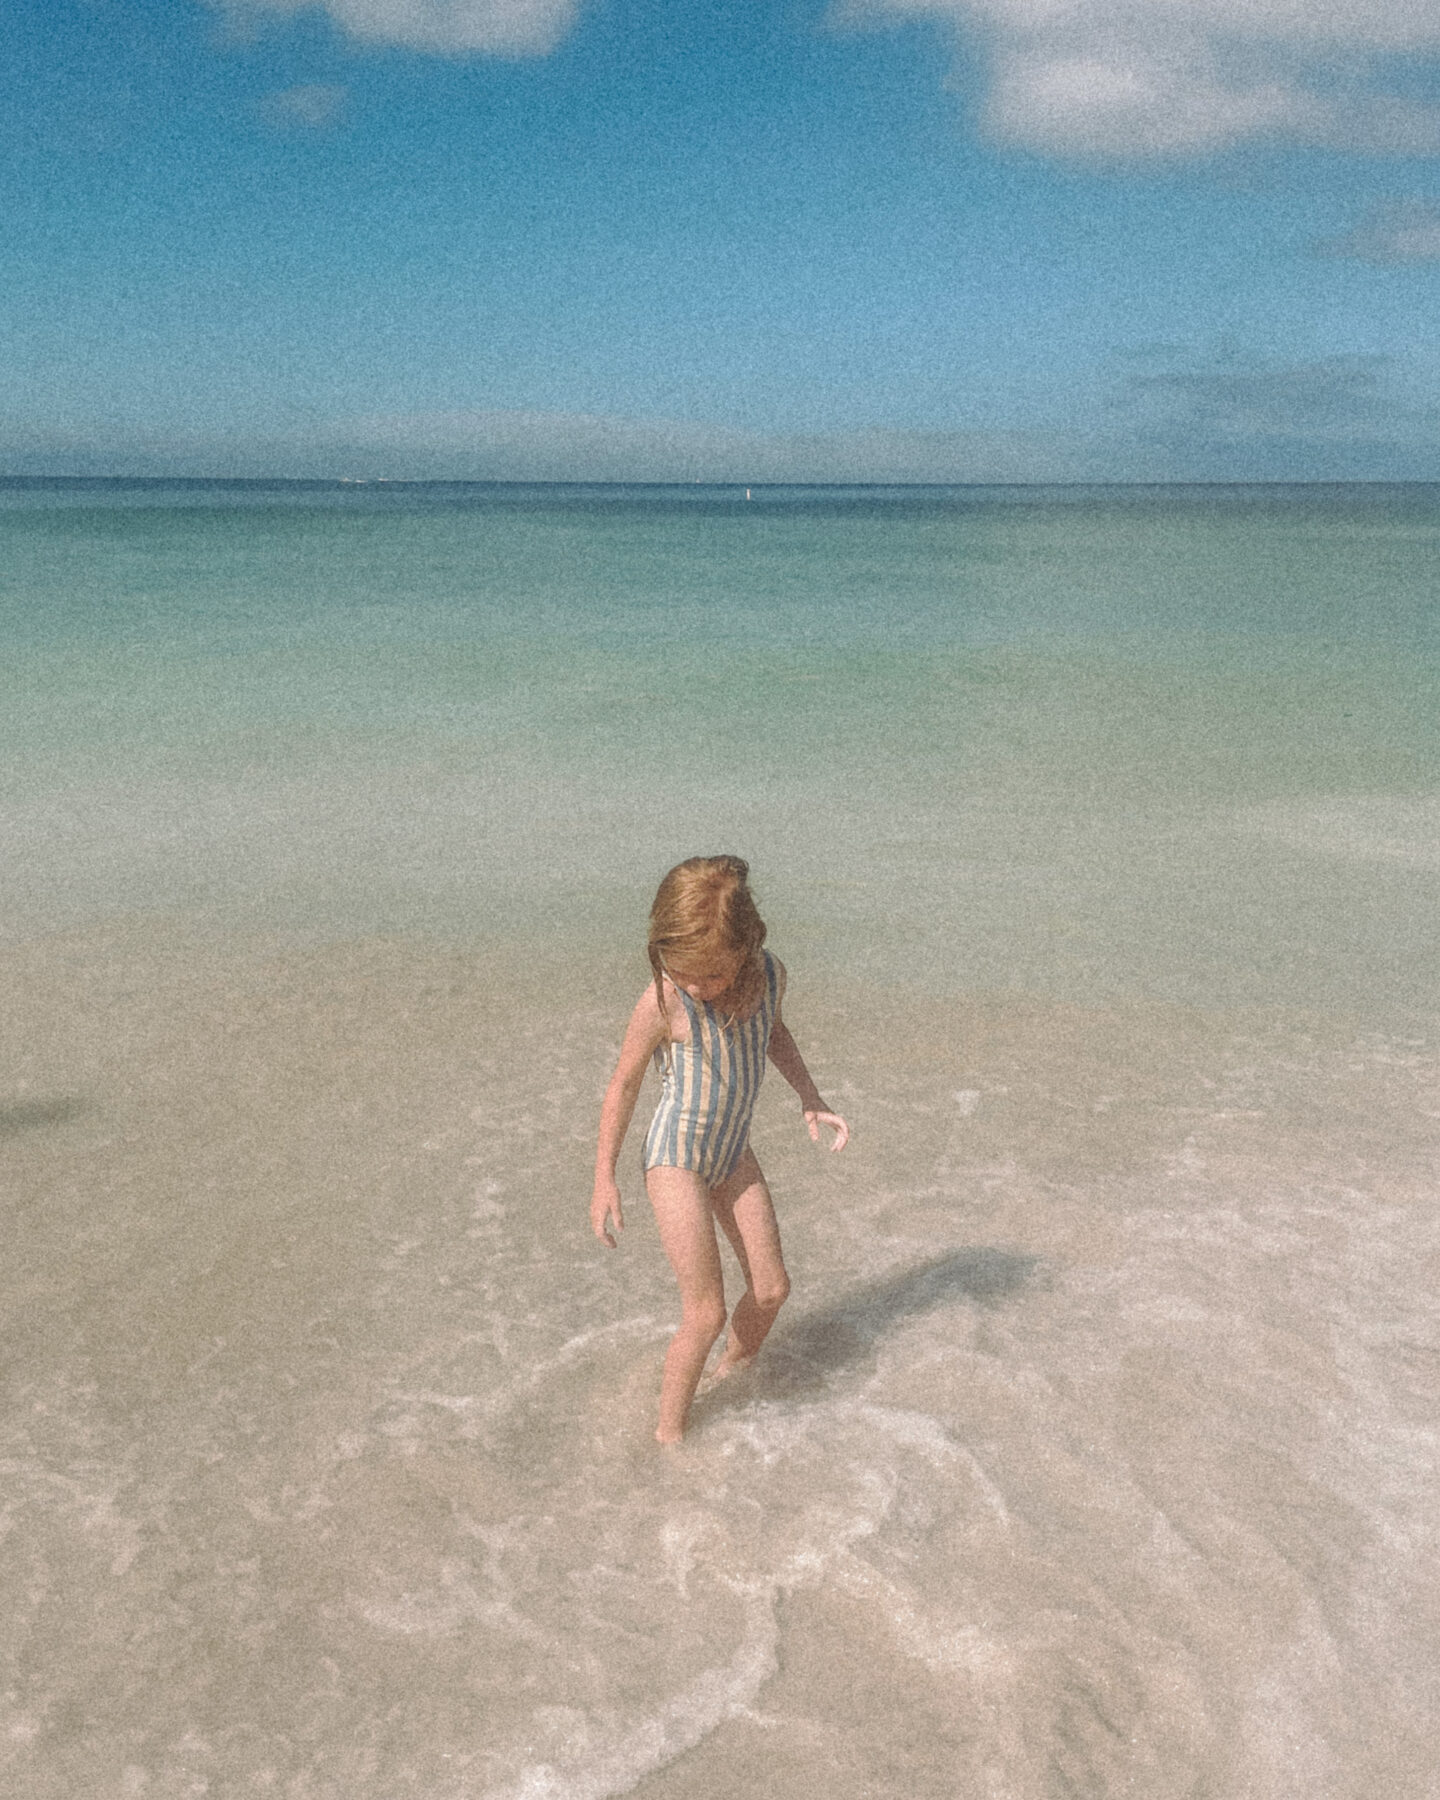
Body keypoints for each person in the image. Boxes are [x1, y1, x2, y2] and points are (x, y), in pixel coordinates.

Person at [591, 856, 849, 1443]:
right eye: (682, 972)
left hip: (732, 1152)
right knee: (704, 1312)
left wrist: (810, 1094)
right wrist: (604, 1176)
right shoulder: (664, 1000)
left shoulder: (771, 976)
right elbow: (625, 1084)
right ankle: (669, 1439)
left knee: (772, 1288)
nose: (696, 986)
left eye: (710, 975)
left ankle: (731, 1375)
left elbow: (773, 1033)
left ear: (747, 946)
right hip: (676, 1158)